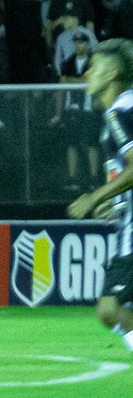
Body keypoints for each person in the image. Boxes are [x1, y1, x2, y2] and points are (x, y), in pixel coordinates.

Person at [67, 38, 133, 354]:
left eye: (94, 67)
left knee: (110, 309)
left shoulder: (119, 112)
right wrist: (117, 201)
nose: (87, 74)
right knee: (114, 311)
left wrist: (94, 198)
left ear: (113, 72)